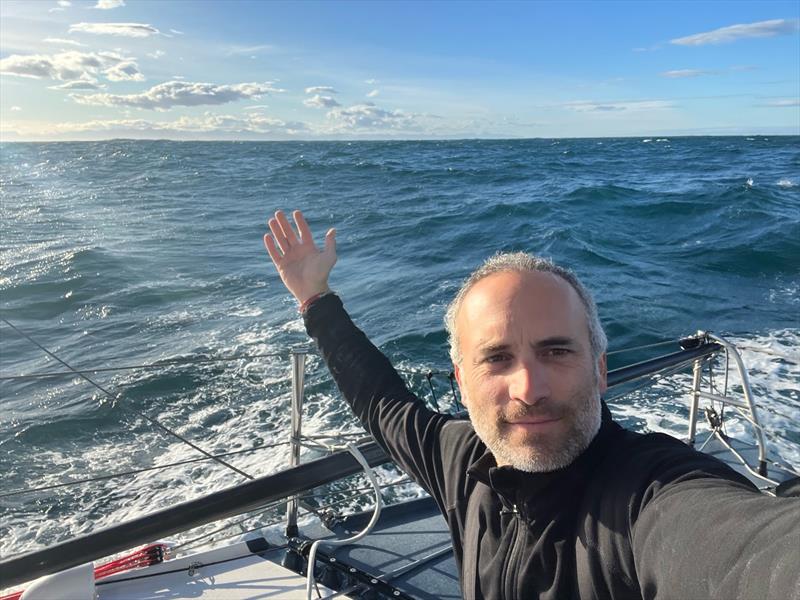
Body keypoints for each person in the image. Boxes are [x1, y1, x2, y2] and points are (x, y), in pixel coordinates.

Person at [264, 209, 799, 600]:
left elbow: (750, 552)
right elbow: (382, 401)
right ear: (461, 382)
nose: (529, 388)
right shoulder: (461, 461)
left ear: (601, 368)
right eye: (496, 358)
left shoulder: (649, 494)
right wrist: (315, 300)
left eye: (557, 350)